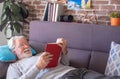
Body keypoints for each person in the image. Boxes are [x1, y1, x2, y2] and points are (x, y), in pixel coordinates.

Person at [6, 36, 75, 79]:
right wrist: (38, 67)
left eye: (27, 44)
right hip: (63, 77)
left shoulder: (43, 54)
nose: (26, 46)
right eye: (21, 45)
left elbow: (66, 64)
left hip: (76, 71)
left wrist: (64, 51)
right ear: (14, 51)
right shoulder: (14, 66)